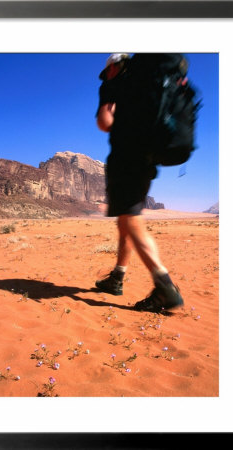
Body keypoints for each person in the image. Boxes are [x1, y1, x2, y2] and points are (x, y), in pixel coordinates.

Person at [95, 53, 184, 312]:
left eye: (107, 70)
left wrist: (111, 107)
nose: (106, 75)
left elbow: (105, 122)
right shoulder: (147, 84)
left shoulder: (113, 84)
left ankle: (165, 286)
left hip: (126, 159)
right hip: (147, 160)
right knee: (126, 219)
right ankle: (117, 278)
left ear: (114, 67)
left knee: (131, 220)